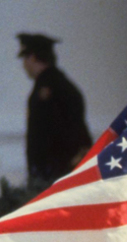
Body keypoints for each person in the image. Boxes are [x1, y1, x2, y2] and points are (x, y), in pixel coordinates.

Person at [16, 33, 93, 184]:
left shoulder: (48, 89)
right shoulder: (58, 84)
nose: (24, 65)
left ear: (32, 57)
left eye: (25, 58)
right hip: (60, 169)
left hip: (55, 173)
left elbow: (46, 136)